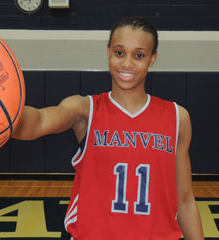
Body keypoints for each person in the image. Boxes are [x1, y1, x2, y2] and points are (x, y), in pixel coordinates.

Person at [12, 16, 204, 240]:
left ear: (153, 58)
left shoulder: (177, 117)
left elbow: (184, 200)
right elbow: (35, 124)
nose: (127, 64)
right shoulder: (85, 110)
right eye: (119, 52)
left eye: (139, 55)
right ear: (108, 52)